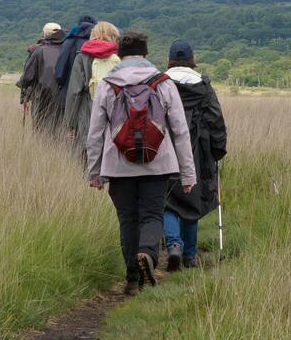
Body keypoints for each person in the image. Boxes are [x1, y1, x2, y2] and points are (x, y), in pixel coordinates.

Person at [85, 31, 196, 295]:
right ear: (145, 54)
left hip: (117, 165)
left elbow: (95, 132)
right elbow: (180, 130)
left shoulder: (108, 84)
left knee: (127, 220)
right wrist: (187, 174)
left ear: (120, 55)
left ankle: (132, 280)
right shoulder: (162, 82)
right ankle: (147, 254)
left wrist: (94, 171)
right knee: (152, 214)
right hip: (158, 164)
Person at [159, 41, 226, 272]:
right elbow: (215, 118)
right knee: (192, 198)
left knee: (167, 199)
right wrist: (218, 149)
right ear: (191, 59)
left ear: (169, 59)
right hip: (198, 149)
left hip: (164, 148)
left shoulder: (158, 83)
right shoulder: (203, 86)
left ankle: (173, 244)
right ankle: (189, 256)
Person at [64, 22, 122, 149]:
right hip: (115, 113)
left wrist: (70, 124)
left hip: (88, 111)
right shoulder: (118, 57)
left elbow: (75, 92)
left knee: (87, 151)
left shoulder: (82, 56)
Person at [16, 23, 67, 133]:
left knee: (41, 128)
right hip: (64, 97)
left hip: (42, 96)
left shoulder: (39, 51)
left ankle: (42, 149)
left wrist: (21, 84)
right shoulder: (66, 50)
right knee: (60, 128)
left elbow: (27, 77)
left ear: (45, 34)